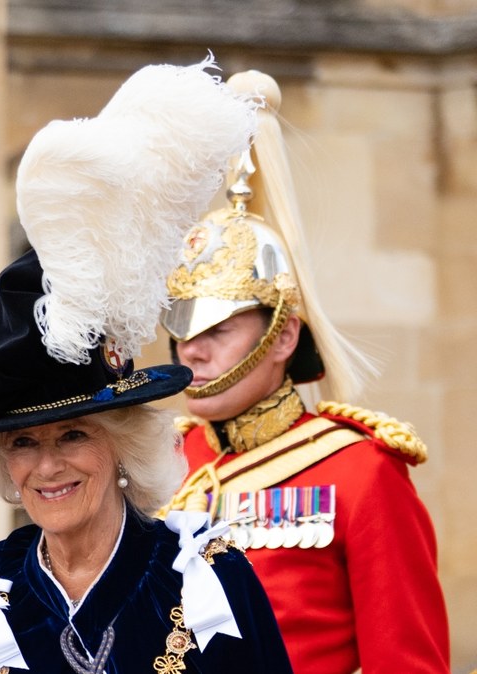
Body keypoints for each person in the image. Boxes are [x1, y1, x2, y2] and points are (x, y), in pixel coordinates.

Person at [0, 60, 292, 674]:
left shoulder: (208, 580)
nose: (47, 465)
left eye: (74, 433)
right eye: (23, 442)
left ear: (122, 445)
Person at [160, 70, 449, 673]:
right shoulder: (164, 463)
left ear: (282, 335)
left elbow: (406, 661)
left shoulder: (363, 471)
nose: (191, 350)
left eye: (216, 329)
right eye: (183, 329)